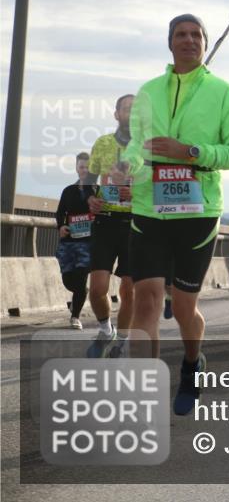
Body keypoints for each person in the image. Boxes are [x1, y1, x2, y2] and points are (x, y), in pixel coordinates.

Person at [124, 13, 229, 415]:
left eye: (196, 34)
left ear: (205, 43)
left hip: (197, 212)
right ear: (169, 43)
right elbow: (133, 148)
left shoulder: (224, 93)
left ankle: (192, 362)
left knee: (182, 308)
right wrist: (126, 167)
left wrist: (192, 152)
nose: (189, 40)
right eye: (180, 34)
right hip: (148, 207)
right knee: (144, 300)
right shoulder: (147, 93)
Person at [86, 94, 135, 355]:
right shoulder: (103, 144)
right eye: (126, 109)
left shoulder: (149, 148)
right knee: (97, 289)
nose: (131, 113)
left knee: (129, 291)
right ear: (116, 114)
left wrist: (136, 194)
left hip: (135, 225)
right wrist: (91, 198)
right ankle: (106, 329)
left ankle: (123, 340)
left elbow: (158, 189)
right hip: (105, 223)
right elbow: (88, 182)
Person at [56, 152, 96, 332]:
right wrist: (61, 227)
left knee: (80, 280)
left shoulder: (97, 190)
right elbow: (60, 213)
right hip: (69, 243)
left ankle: (75, 316)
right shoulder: (68, 191)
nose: (84, 170)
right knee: (68, 281)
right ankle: (78, 297)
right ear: (76, 168)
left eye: (87, 167)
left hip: (88, 243)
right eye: (81, 167)